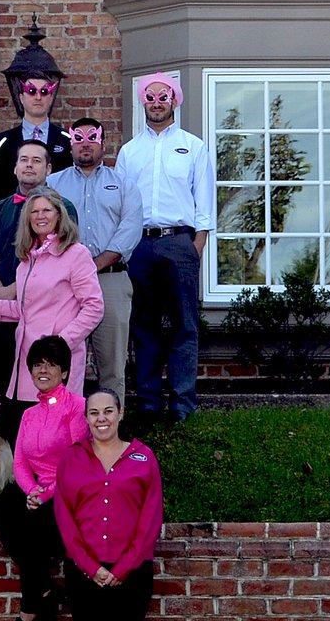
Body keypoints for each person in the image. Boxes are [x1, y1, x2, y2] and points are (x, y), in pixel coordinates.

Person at [116, 75, 215, 428]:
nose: (157, 102)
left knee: (184, 325)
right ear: (143, 102)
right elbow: (122, 204)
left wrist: (196, 246)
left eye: (164, 96)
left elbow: (204, 201)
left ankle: (182, 403)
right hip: (140, 244)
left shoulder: (194, 147)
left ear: (175, 101)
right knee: (143, 326)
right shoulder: (130, 151)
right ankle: (147, 402)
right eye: (151, 96)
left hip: (180, 242)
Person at [0, 188, 103, 440]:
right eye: (34, 212)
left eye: (47, 210)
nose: (40, 216)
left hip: (56, 363)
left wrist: (61, 343)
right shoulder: (27, 259)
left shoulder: (76, 254)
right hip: (26, 363)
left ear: (60, 215)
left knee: (60, 437)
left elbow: (94, 307)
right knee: (32, 436)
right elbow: (26, 311)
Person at [0, 336, 89, 621]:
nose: (42, 371)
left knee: (32, 529)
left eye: (51, 365)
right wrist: (33, 490)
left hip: (68, 491)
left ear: (65, 372)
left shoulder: (76, 407)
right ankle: (44, 588)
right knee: (2, 506)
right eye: (37, 365)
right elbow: (20, 461)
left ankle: (29, 609)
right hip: (38, 490)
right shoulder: (29, 414)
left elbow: (76, 461)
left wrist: (46, 495)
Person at [49, 118, 143, 403]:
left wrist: (95, 263)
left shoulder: (123, 185)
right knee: (62, 359)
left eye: (92, 137)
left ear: (103, 143)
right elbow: (43, 227)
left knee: (112, 364)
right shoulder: (53, 184)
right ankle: (63, 428)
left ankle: (112, 434)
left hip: (111, 280)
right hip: (65, 283)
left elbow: (131, 228)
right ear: (71, 144)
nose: (85, 143)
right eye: (79, 138)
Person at [0, 143, 77, 398]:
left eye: (36, 160)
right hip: (2, 306)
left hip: (42, 312)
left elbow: (59, 261)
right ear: (15, 167)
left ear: (49, 169)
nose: (29, 165)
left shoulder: (63, 209)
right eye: (23, 160)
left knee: (34, 385)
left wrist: (13, 291)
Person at [54, 389, 163, 621]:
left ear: (120, 414)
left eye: (108, 411)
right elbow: (64, 518)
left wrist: (124, 567)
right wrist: (90, 567)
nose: (101, 418)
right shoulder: (71, 459)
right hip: (83, 573)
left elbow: (151, 519)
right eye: (93, 413)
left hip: (133, 572)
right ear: (86, 419)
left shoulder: (144, 457)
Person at [0, 76, 73, 213]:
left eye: (44, 92)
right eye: (31, 91)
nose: (38, 97)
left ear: (51, 97)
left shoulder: (68, 142)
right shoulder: (0, 144)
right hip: (12, 222)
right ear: (21, 97)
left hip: (57, 222)